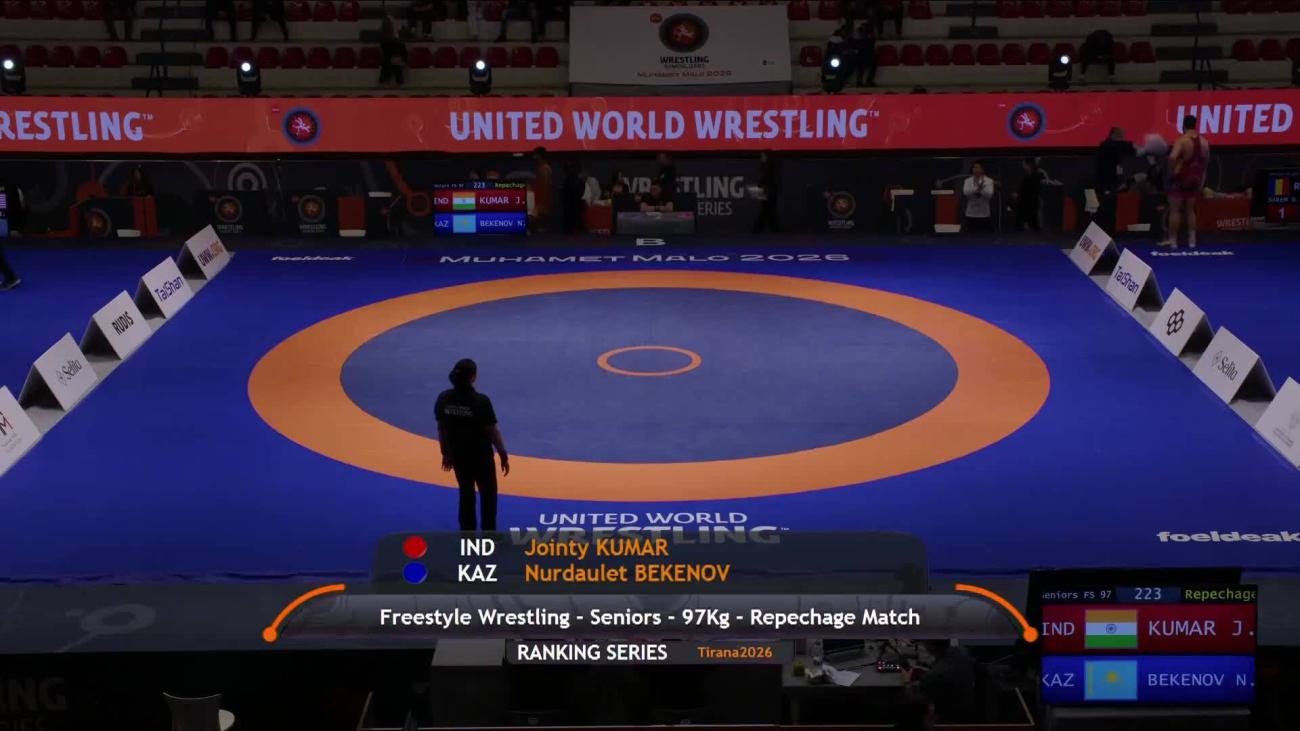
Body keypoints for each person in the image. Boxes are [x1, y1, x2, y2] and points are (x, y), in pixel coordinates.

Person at [436, 359, 509, 532]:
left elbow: (442, 429)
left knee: (466, 494)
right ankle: (489, 535)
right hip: (481, 457)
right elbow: (492, 430)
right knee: (488, 496)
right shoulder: (481, 401)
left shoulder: (444, 399)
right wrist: (502, 453)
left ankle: (467, 535)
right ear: (473, 377)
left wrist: (445, 453)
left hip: (459, 456)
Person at [1161, 115, 1210, 250]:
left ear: (1183, 126)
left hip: (1180, 179)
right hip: (1195, 179)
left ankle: (1173, 241)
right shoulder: (1204, 142)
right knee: (1190, 210)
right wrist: (1201, 181)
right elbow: (1205, 164)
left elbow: (1172, 158)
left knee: (1175, 210)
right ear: (1195, 125)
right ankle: (1192, 241)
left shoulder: (1182, 140)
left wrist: (1172, 172)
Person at [903, 641, 976, 722]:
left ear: (929, 646)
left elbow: (915, 701)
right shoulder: (962, 652)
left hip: (948, 719)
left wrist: (906, 681)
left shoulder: (933, 676)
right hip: (968, 710)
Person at [961, 161, 996, 231]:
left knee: (984, 236)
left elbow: (990, 194)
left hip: (984, 214)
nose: (976, 169)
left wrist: (980, 190)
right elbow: (966, 192)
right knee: (970, 236)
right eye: (974, 167)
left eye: (978, 167)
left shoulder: (989, 180)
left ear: (982, 169)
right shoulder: (967, 181)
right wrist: (977, 188)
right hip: (970, 214)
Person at [1013, 157, 1045, 231]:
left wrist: (1019, 195)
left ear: (1029, 165)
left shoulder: (1038, 175)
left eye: (1024, 164)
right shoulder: (1025, 177)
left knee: (1034, 224)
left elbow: (1036, 189)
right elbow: (1023, 189)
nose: (1023, 166)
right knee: (1021, 224)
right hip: (1025, 203)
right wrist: (1018, 195)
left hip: (1032, 203)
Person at [378, 14, 410, 87]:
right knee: (391, 63)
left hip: (390, 43)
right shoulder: (387, 22)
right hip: (389, 43)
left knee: (392, 63)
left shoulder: (389, 22)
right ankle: (387, 81)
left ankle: (387, 81)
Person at [752, 150, 780, 233]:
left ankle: (759, 228)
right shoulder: (765, 167)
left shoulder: (768, 168)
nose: (761, 157)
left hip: (769, 191)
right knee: (767, 210)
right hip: (768, 191)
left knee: (767, 210)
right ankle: (772, 228)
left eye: (763, 156)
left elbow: (768, 181)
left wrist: (761, 188)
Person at [530, 147, 553, 233]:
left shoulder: (545, 167)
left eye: (535, 154)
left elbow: (546, 183)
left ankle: (542, 227)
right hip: (539, 192)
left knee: (541, 210)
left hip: (543, 193)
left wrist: (543, 196)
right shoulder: (541, 166)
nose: (533, 156)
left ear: (539, 155)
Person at [854, 20, 877, 86]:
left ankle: (866, 80)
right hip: (863, 52)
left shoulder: (869, 34)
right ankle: (861, 81)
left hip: (868, 52)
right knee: (861, 66)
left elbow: (872, 42)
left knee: (871, 66)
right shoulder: (859, 34)